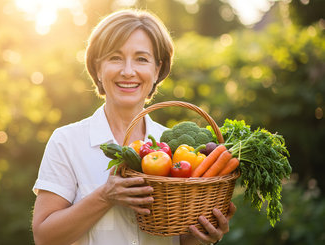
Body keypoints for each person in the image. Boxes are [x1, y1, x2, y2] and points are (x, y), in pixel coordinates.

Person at [32, 9, 236, 245]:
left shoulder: (175, 147)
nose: (128, 71)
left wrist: (199, 236)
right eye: (115, 58)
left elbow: (177, 238)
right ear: (98, 68)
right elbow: (44, 237)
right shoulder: (66, 142)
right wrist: (105, 197)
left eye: (141, 59)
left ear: (157, 70)